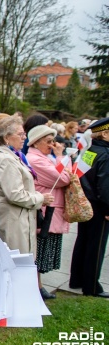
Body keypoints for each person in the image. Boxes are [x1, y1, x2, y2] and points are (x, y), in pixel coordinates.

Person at [0, 116, 54, 265]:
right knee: (15, 263)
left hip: (18, 217)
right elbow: (15, 194)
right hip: (13, 219)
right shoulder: (5, 159)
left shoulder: (14, 156)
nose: (24, 137)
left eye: (24, 134)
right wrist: (40, 198)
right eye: (20, 134)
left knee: (22, 261)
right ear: (6, 137)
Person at [25, 125, 71, 299]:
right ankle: (36, 286)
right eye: (48, 141)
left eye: (53, 141)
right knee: (40, 252)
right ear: (36, 142)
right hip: (45, 210)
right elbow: (64, 178)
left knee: (43, 252)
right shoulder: (36, 159)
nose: (52, 145)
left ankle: (38, 285)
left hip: (51, 209)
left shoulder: (43, 157)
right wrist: (60, 157)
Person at [70, 117, 109, 298]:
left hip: (86, 203)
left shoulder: (90, 151)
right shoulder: (106, 154)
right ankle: (92, 286)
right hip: (100, 207)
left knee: (83, 241)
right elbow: (105, 186)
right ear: (105, 134)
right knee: (96, 245)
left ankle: (77, 279)